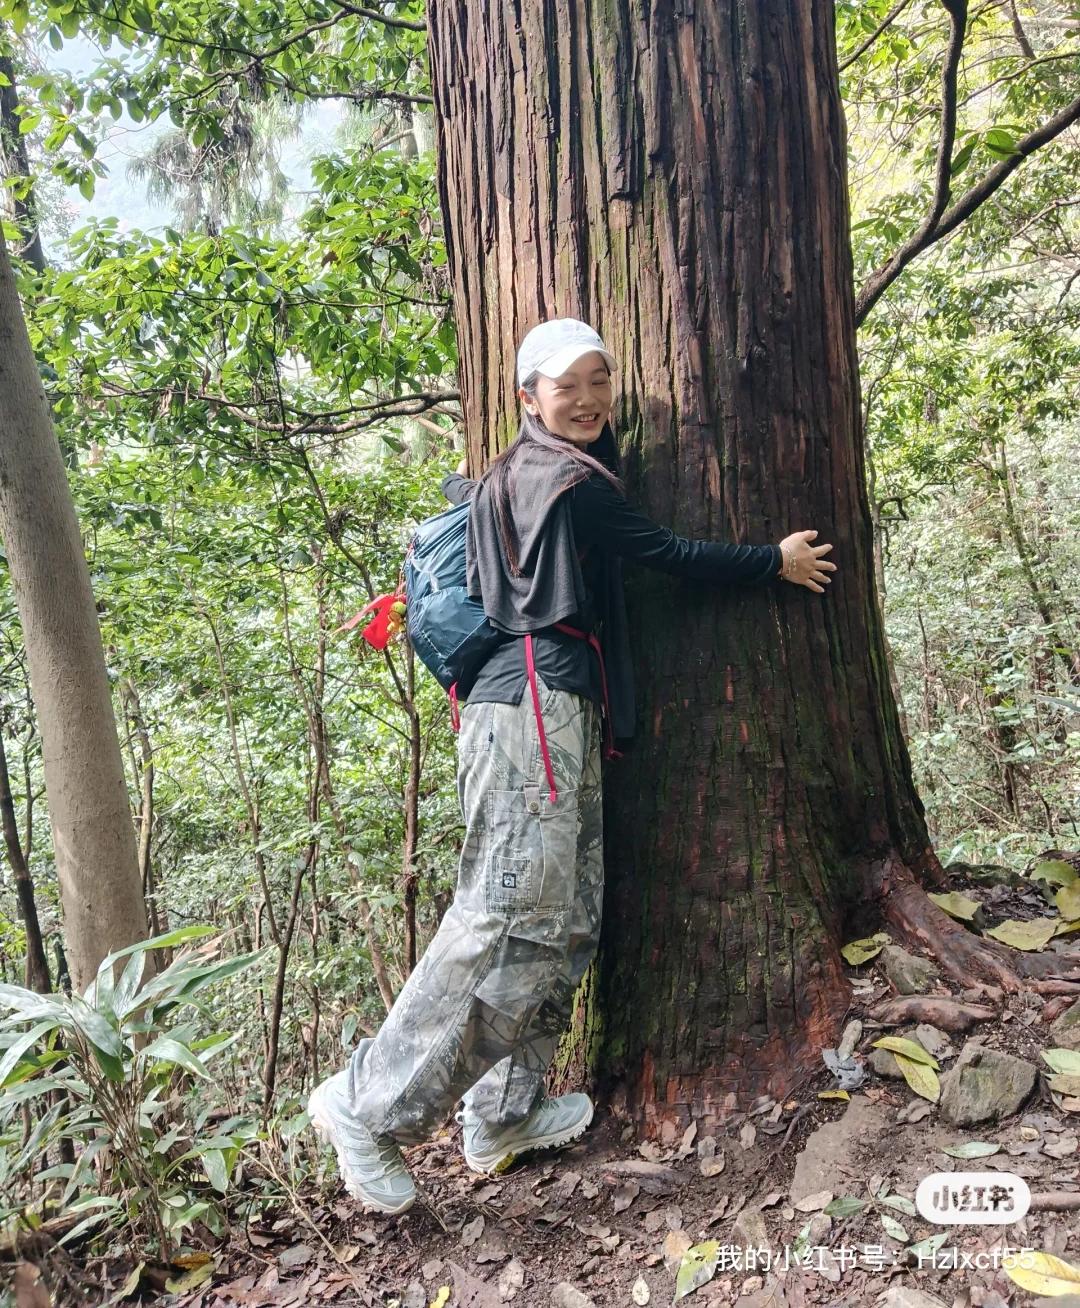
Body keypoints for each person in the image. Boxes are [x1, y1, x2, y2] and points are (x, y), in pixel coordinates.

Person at [309, 318, 836, 1213]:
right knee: (503, 909)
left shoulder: (537, 474)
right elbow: (664, 553)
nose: (587, 399)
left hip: (556, 706)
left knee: (568, 919)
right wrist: (771, 561)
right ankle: (366, 1104)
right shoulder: (560, 479)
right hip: (527, 710)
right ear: (528, 399)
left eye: (599, 379)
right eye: (566, 386)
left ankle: (503, 1112)